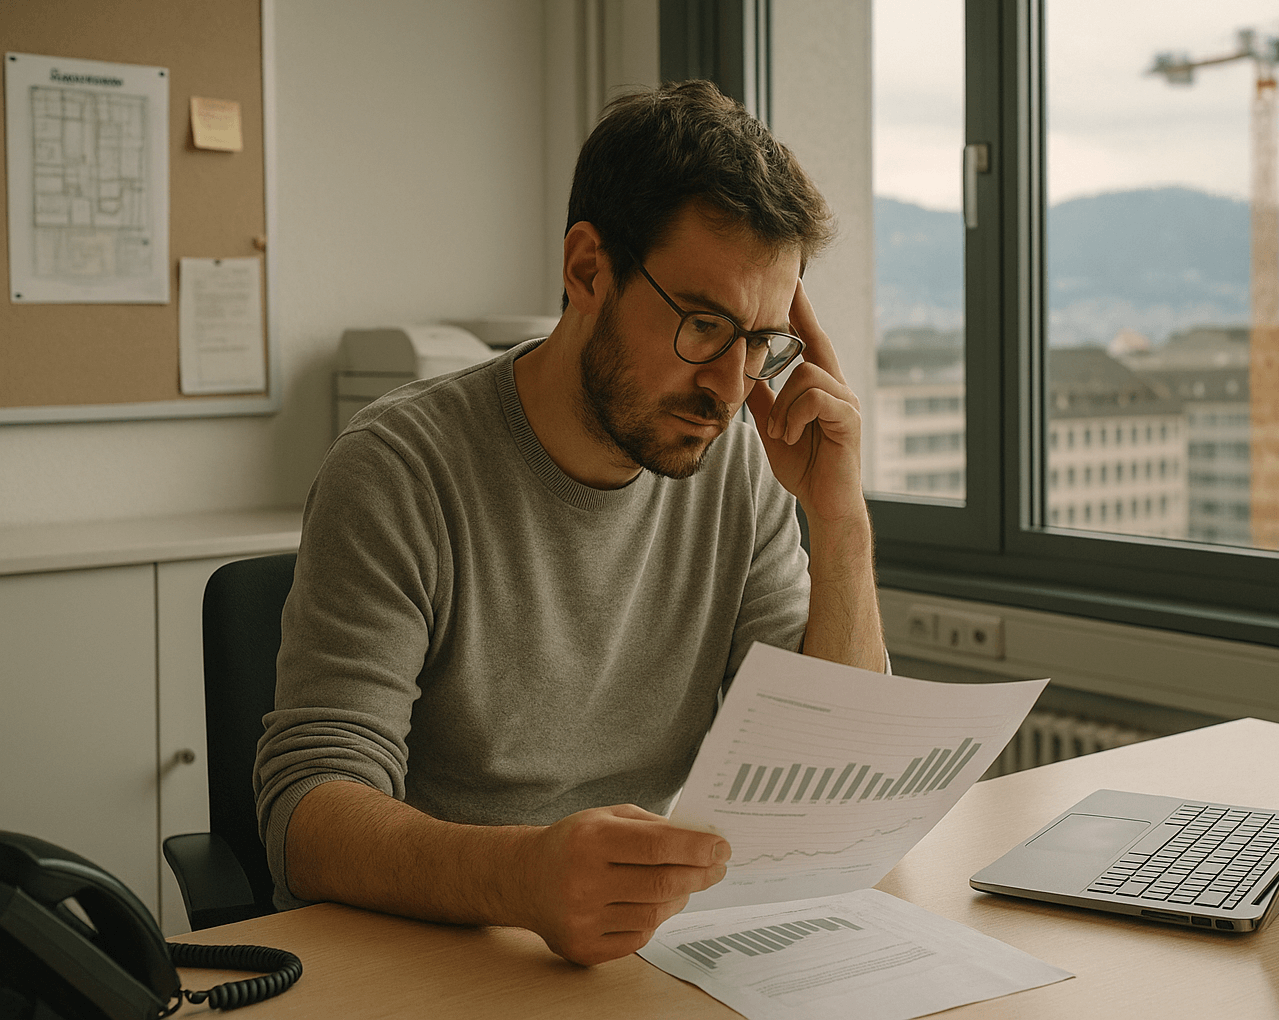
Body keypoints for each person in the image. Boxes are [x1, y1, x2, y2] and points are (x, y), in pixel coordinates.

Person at [254, 80, 886, 968]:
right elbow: (307, 812)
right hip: (434, 957)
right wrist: (522, 877)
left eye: (760, 340)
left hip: (645, 952)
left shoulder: (735, 465)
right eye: (705, 325)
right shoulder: (400, 468)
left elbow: (834, 782)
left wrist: (841, 522)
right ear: (588, 269)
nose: (732, 387)